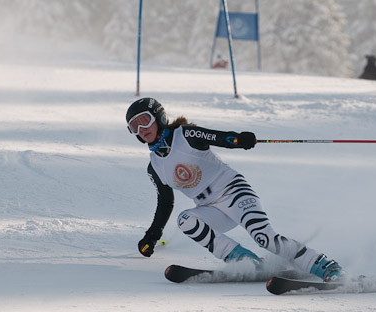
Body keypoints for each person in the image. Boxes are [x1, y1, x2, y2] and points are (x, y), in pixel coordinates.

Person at [126, 97, 345, 282]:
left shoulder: (186, 135)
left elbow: (219, 137)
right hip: (211, 209)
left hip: (234, 192)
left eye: (144, 121)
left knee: (264, 237)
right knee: (186, 220)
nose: (142, 130)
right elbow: (165, 203)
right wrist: (152, 237)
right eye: (135, 126)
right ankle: (246, 261)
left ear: (159, 117)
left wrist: (240, 139)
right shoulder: (154, 166)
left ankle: (326, 267)